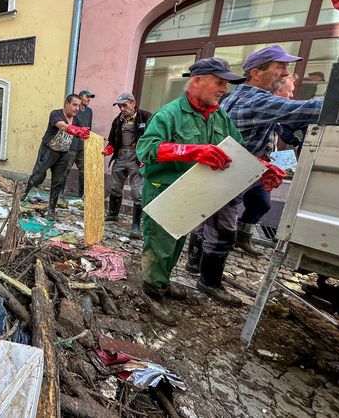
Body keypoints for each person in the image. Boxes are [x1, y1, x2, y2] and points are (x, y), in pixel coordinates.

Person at [136, 57, 284, 325]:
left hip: (194, 191)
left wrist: (262, 167)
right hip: (164, 190)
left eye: (225, 84)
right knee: (160, 244)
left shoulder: (219, 115)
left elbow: (236, 150)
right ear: (197, 81)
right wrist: (195, 150)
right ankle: (152, 291)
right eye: (219, 83)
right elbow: (146, 150)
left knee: (177, 241)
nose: (223, 90)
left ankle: (163, 282)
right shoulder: (168, 114)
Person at [221, 46, 323, 256]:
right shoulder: (257, 101)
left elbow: (283, 132)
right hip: (237, 171)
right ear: (256, 73)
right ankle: (208, 269)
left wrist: (285, 162)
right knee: (221, 222)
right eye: (280, 67)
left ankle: (239, 238)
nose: (285, 72)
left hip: (255, 167)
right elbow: (307, 110)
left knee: (260, 203)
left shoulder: (243, 97)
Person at [22, 94, 90, 220]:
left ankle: (51, 210)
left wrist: (91, 138)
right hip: (48, 149)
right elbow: (62, 126)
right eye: (74, 105)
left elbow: (83, 134)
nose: (76, 108)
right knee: (38, 176)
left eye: (78, 106)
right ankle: (25, 191)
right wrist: (76, 131)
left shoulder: (77, 119)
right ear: (66, 104)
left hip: (63, 153)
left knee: (58, 181)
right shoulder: (56, 114)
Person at [102, 91, 152, 239]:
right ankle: (112, 214)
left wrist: (144, 146)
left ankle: (136, 226)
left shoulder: (146, 117)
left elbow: (154, 136)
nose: (122, 108)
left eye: (124, 105)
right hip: (121, 156)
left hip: (137, 158)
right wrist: (108, 150)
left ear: (133, 103)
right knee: (115, 186)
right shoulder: (118, 120)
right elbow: (112, 141)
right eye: (119, 106)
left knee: (137, 192)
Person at [61, 89, 94, 197]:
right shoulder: (74, 110)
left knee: (84, 171)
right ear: (80, 98)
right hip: (71, 145)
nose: (89, 99)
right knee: (65, 170)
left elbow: (89, 128)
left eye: (90, 97)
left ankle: (82, 196)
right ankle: (59, 194)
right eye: (87, 96)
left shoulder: (89, 111)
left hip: (82, 147)